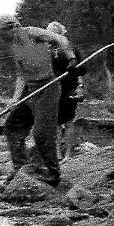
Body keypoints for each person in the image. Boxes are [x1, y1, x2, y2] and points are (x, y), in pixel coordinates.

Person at [0, 14, 72, 186]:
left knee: (42, 133)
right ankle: (20, 167)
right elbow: (21, 75)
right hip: (30, 89)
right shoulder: (14, 46)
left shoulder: (32, 32)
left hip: (48, 87)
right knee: (12, 126)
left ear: (12, 27)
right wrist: (14, 99)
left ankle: (52, 172)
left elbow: (60, 39)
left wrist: (71, 58)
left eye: (1, 32)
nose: (0, 37)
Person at [46, 21, 85, 160]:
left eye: (54, 32)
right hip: (53, 88)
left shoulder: (70, 48)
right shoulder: (46, 50)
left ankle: (68, 154)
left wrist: (80, 87)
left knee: (68, 120)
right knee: (55, 122)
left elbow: (81, 69)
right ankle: (57, 153)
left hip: (69, 87)